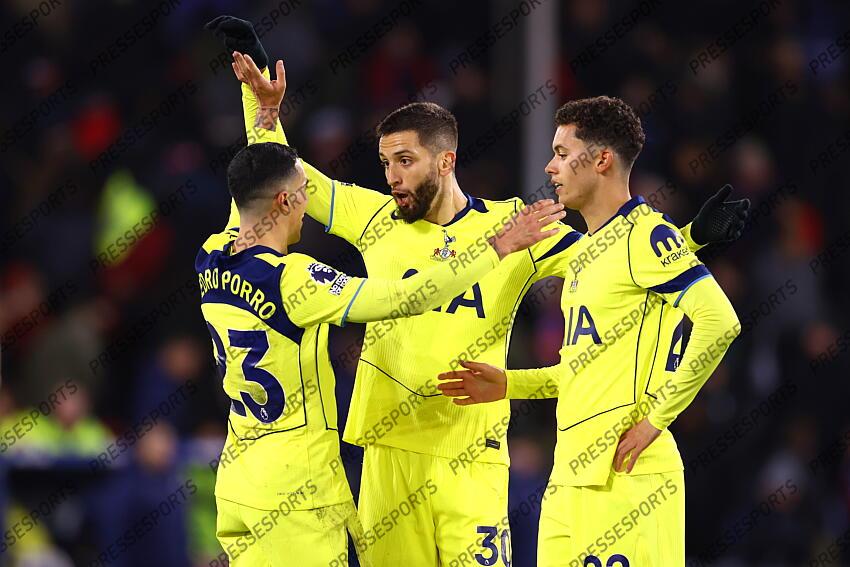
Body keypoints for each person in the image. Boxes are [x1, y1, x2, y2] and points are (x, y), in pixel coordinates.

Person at [207, 15, 746, 565]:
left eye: (405, 161)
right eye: (386, 163)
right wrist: (263, 110)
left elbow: (613, 257)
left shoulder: (514, 227)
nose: (392, 177)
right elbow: (283, 182)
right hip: (390, 448)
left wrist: (689, 239)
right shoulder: (374, 217)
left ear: (446, 161)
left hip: (473, 455)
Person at [197, 137, 564, 566]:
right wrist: (495, 249)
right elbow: (407, 298)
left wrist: (260, 115)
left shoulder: (212, 254)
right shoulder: (293, 280)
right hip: (294, 487)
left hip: (238, 478)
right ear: (284, 200)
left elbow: (251, 181)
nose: (308, 204)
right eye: (303, 193)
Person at [437, 97, 743, 566]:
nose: (550, 166)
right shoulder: (585, 253)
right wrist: (508, 384)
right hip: (569, 478)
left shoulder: (645, 234)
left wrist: (656, 420)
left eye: (562, 153)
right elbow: (577, 370)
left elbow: (720, 322)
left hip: (629, 477)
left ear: (601, 160)